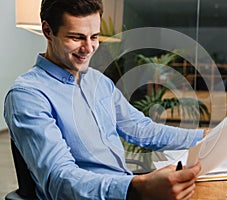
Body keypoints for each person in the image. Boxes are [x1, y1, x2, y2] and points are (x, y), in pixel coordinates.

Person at [4, 0, 206, 199]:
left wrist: (204, 137)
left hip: (122, 186)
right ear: (48, 31)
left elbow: (141, 129)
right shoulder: (28, 95)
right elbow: (61, 180)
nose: (89, 48)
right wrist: (138, 187)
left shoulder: (99, 81)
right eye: (76, 37)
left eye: (94, 37)